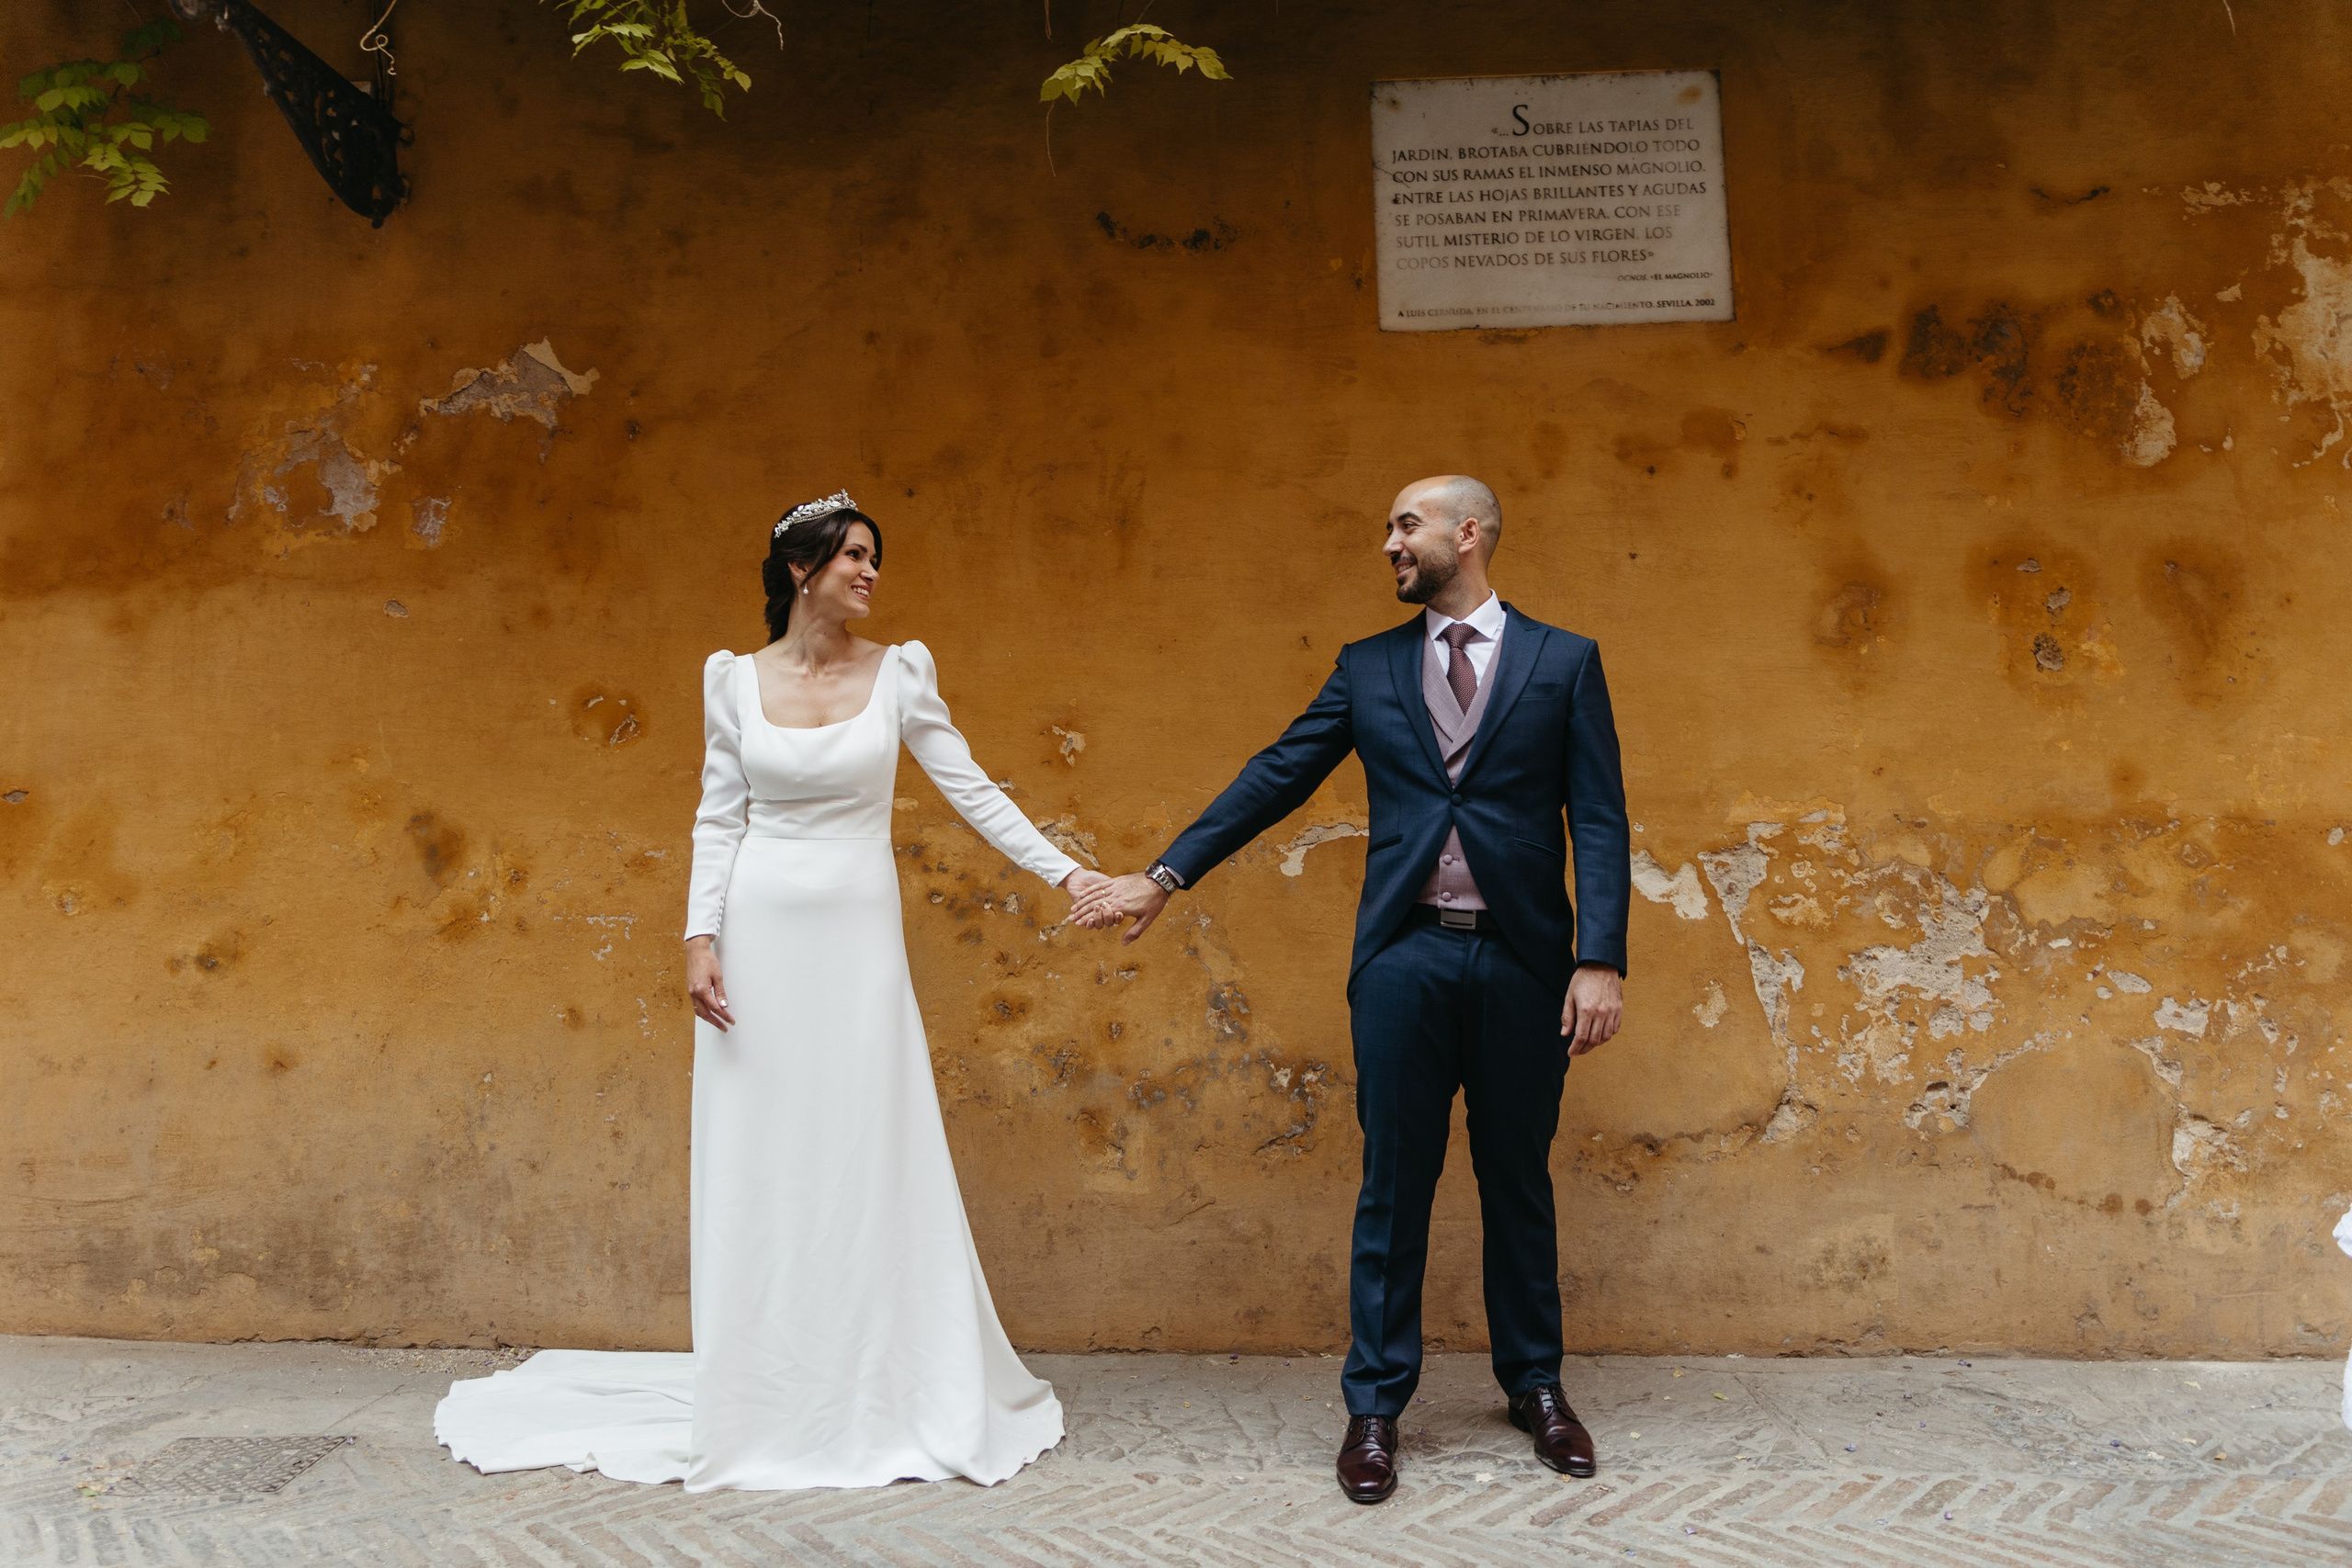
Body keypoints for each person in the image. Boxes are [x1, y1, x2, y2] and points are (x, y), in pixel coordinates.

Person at [435, 491, 1109, 1491]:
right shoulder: (732, 682)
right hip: (761, 929)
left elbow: (971, 789)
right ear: (802, 571)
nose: (871, 573)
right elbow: (719, 817)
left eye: (875, 557)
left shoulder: (902, 673)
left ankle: (884, 1375)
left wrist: (1068, 872)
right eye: (853, 556)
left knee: (866, 1137)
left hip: (858, 930)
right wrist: (699, 937)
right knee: (766, 1148)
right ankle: (766, 1384)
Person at [1073, 475, 1632, 1505]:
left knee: (1517, 1179)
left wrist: (1599, 957)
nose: (1388, 545)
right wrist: (1163, 875)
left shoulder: (1563, 661)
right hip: (1403, 959)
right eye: (1388, 528)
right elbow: (1279, 770)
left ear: (1466, 535)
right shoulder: (1368, 668)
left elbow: (1596, 815)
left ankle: (1536, 1387)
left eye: (1404, 526)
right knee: (1393, 1185)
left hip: (1523, 963)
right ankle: (1373, 1407)